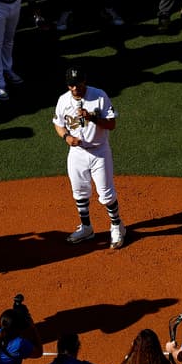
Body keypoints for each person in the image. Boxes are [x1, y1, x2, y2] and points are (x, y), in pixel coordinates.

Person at [52, 67, 125, 249]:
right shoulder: (63, 100)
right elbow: (58, 124)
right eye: (71, 85)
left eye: (77, 84)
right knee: (79, 192)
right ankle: (86, 228)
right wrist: (66, 137)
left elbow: (112, 124)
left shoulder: (99, 96)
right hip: (77, 153)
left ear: (84, 81)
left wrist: (92, 118)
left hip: (99, 151)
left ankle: (117, 226)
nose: (75, 88)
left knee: (106, 194)